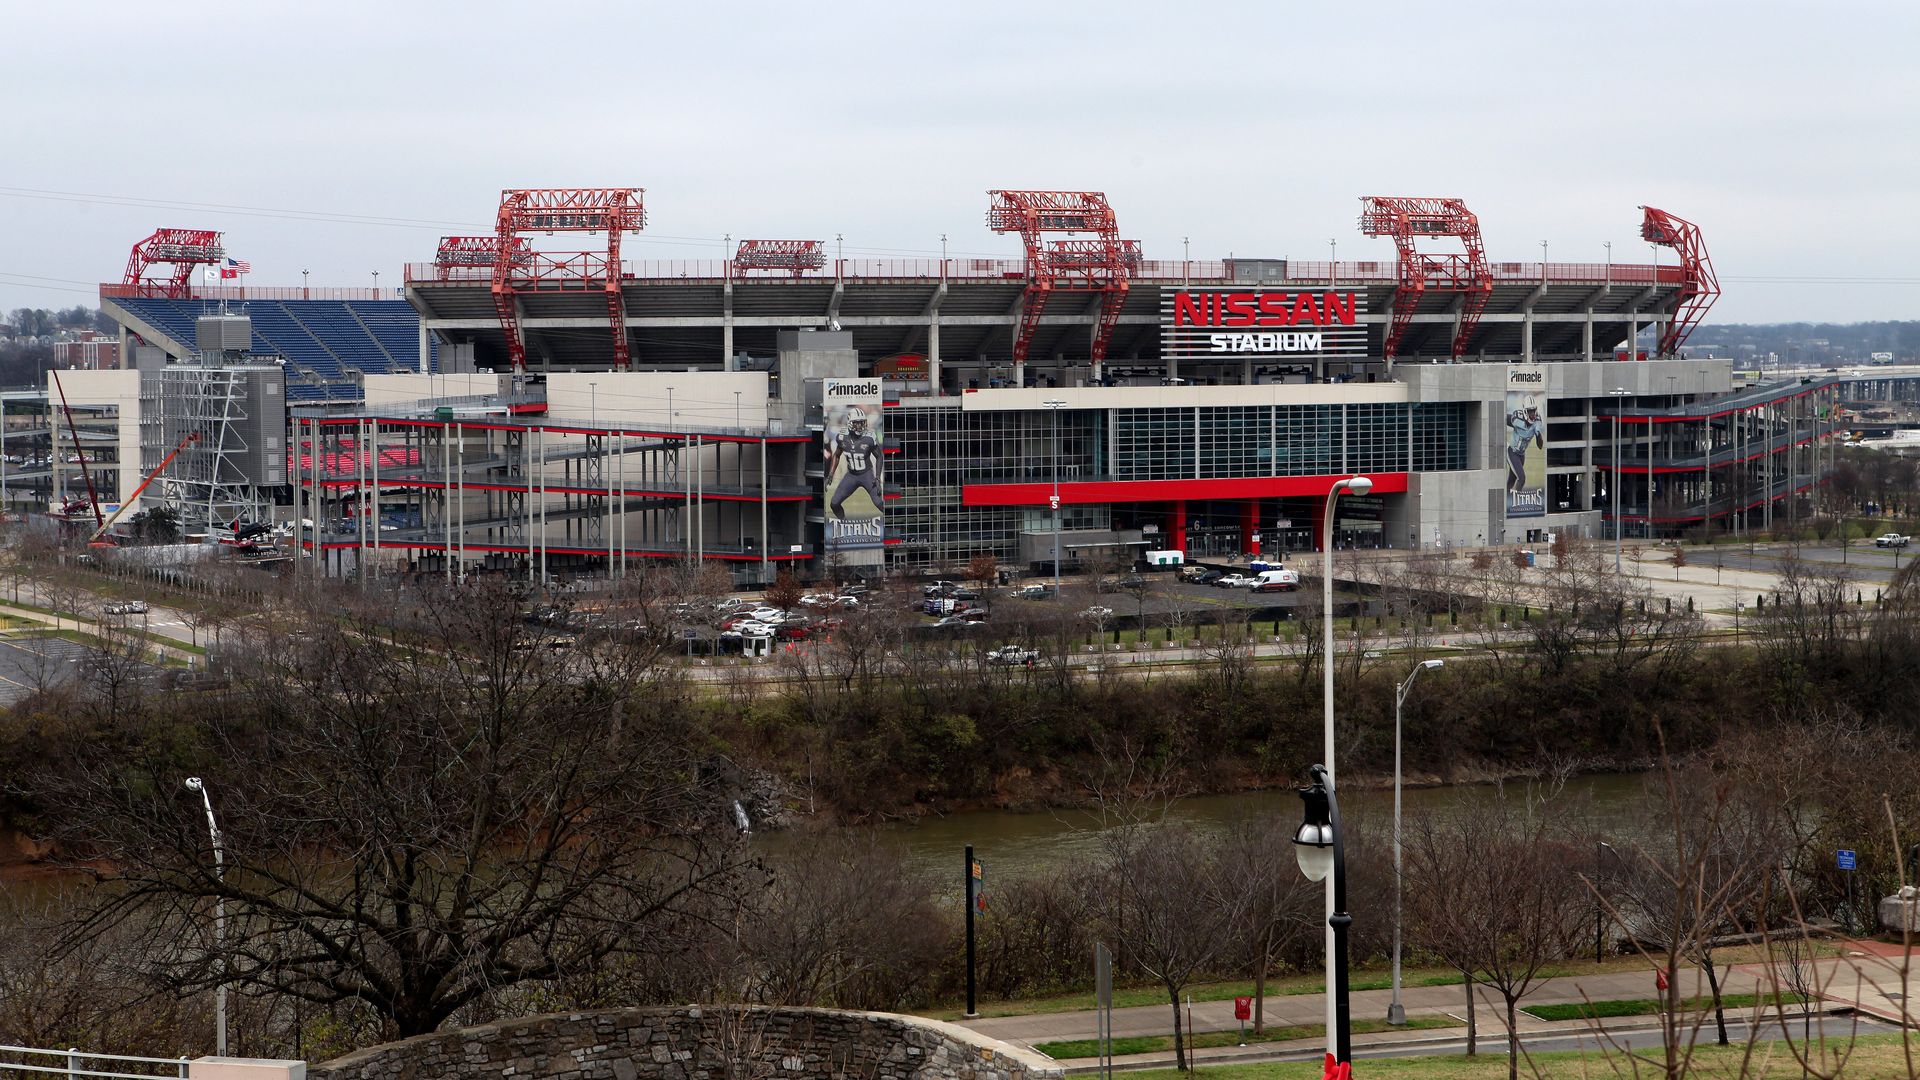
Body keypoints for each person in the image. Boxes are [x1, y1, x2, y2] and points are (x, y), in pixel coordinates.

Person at [826, 406, 883, 523]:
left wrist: (877, 477)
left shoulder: (869, 438)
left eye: (862, 423)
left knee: (879, 502)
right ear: (849, 423)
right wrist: (831, 474)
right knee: (834, 503)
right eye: (857, 423)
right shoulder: (842, 437)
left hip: (867, 475)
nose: (860, 426)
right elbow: (836, 455)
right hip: (851, 475)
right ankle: (844, 522)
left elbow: (879, 456)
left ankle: (890, 523)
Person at [1506, 403, 1545, 496]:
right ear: (1525, 412)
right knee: (1521, 478)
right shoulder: (1517, 419)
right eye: (1530, 411)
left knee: (1512, 478)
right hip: (1512, 452)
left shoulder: (1537, 422)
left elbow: (1540, 446)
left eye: (1534, 410)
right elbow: (1501, 418)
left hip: (1521, 455)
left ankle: (1506, 498)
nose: (1533, 413)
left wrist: (1538, 435)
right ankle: (1514, 502)